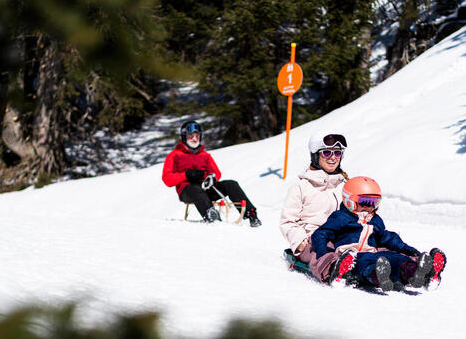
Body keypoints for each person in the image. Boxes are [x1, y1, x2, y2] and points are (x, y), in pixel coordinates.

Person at [310, 175, 447, 291]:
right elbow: (321, 233)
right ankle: (377, 275)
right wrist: (323, 254)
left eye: (374, 202)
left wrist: (409, 250)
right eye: (365, 201)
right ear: (349, 200)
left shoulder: (375, 220)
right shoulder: (340, 217)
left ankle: (417, 273)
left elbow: (387, 237)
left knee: (394, 258)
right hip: (352, 256)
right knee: (365, 262)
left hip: (374, 252)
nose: (370, 206)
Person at [162, 119, 262, 227]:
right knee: (194, 189)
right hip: (187, 190)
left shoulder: (205, 155)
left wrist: (211, 178)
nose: (194, 139)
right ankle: (211, 215)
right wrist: (186, 175)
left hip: (206, 189)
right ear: (184, 137)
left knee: (231, 184)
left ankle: (251, 214)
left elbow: (216, 173)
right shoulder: (174, 155)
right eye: (191, 136)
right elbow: (167, 179)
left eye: (197, 136)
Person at [279, 131, 349, 282]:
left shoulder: (344, 185)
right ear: (315, 155)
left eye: (337, 153)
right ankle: (333, 267)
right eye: (326, 153)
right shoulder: (302, 186)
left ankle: (402, 267)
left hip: (341, 237)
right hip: (312, 241)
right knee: (324, 249)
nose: (332, 157)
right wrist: (299, 241)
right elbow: (288, 221)